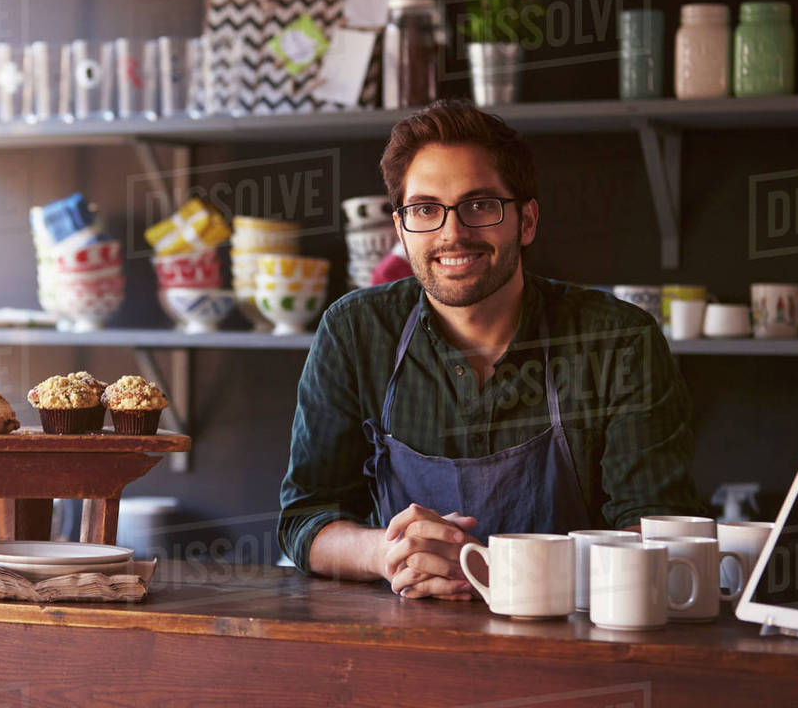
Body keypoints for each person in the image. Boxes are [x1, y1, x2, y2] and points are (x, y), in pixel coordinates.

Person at [278, 99, 704, 600]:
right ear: (401, 229)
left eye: (479, 205)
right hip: (401, 647)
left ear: (525, 221)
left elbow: (657, 532)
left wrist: (509, 571)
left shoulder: (617, 340)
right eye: (425, 210)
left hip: (573, 646)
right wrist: (386, 552)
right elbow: (306, 520)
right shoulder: (354, 331)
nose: (452, 232)